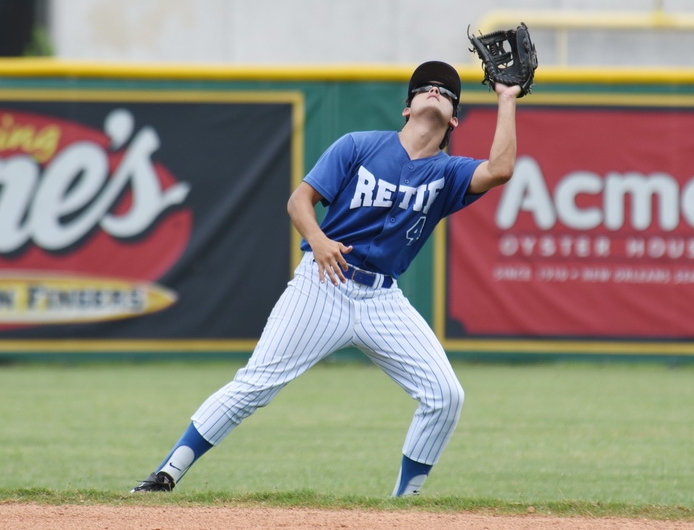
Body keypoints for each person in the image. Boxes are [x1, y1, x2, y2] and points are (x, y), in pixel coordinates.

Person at [130, 60, 522, 496]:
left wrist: (506, 98)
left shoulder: (448, 174)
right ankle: (165, 474)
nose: (434, 91)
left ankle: (404, 506)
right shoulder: (358, 145)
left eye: (445, 91)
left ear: (453, 118)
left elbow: (501, 168)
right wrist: (316, 239)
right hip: (323, 284)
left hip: (382, 299)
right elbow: (301, 200)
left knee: (446, 395)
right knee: (255, 385)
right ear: (406, 108)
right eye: (423, 87)